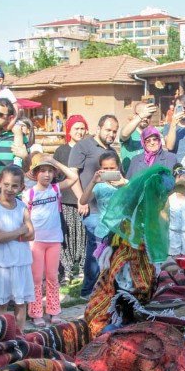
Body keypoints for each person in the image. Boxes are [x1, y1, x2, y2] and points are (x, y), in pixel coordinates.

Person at [24, 154, 79, 327]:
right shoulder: (29, 193)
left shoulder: (55, 189)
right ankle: (35, 312)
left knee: (52, 277)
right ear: (35, 174)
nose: (46, 175)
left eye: (50, 171)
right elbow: (24, 217)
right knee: (36, 278)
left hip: (54, 240)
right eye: (42, 171)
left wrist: (55, 161)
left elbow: (73, 177)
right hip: (36, 241)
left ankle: (54, 310)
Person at [69, 114, 120, 298]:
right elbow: (73, 174)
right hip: (91, 207)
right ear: (98, 128)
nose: (111, 134)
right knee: (95, 247)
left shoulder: (111, 150)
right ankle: (88, 289)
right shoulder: (83, 145)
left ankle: (105, 287)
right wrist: (79, 200)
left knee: (108, 248)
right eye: (108, 130)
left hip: (110, 211)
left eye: (114, 131)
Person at [0, 165, 35, 331]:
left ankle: (19, 337)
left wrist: (10, 234)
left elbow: (31, 234)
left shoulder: (22, 206)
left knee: (20, 304)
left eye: (14, 186)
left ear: (21, 187)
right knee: (2, 304)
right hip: (1, 263)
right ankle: (2, 336)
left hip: (20, 261)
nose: (10, 189)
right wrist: (19, 231)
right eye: (6, 184)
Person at [53, 114, 89, 283]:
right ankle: (67, 269)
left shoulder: (87, 149)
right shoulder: (62, 150)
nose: (80, 132)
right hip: (67, 199)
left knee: (82, 235)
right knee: (67, 235)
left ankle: (82, 267)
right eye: (76, 128)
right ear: (69, 130)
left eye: (82, 128)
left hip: (85, 198)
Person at [0, 98, 29, 200]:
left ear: (10, 118)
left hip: (13, 197)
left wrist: (25, 157)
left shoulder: (19, 137)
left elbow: (27, 169)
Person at [79, 151, 127, 246]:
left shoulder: (126, 183)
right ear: (100, 168)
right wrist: (93, 182)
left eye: (112, 168)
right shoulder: (99, 185)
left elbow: (134, 201)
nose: (109, 171)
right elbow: (83, 201)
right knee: (102, 260)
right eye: (105, 168)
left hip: (122, 233)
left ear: (118, 167)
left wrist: (124, 185)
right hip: (102, 232)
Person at [119, 100, 164, 170]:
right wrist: (141, 116)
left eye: (148, 116)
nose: (145, 118)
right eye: (143, 114)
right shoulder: (130, 132)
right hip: (130, 177)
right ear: (135, 115)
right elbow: (124, 135)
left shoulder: (153, 135)